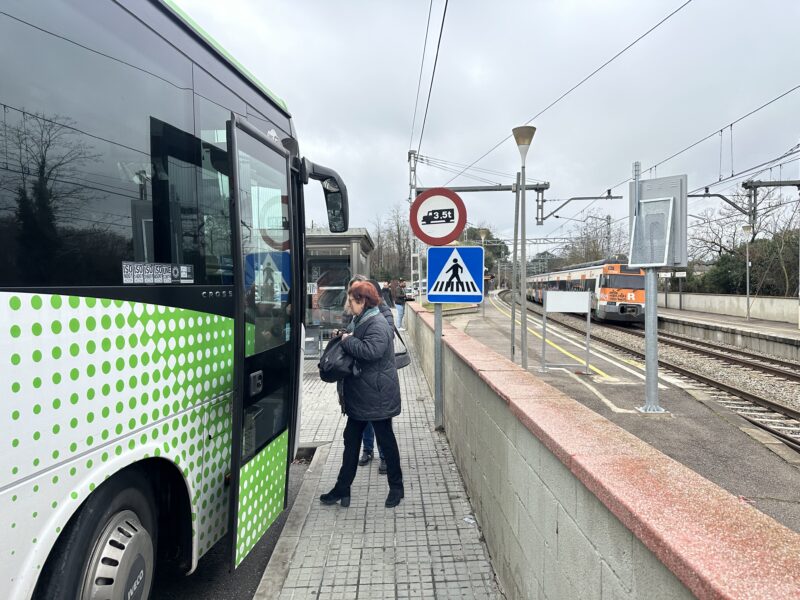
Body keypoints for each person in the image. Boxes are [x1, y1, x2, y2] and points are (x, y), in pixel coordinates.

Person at [320, 281, 404, 508]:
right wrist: (345, 335)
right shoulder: (361, 319)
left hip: (377, 395)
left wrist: (348, 340)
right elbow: (357, 340)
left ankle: (396, 488)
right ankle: (342, 489)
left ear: (363, 301)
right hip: (362, 394)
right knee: (351, 440)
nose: (349, 305)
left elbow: (371, 351)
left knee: (386, 441)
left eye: (352, 301)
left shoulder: (377, 322)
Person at [357, 279, 394, 474]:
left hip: (380, 377)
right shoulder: (357, 312)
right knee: (364, 418)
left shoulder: (383, 312)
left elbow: (384, 338)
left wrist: (357, 341)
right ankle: (367, 450)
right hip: (361, 376)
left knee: (381, 420)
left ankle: (385, 457)